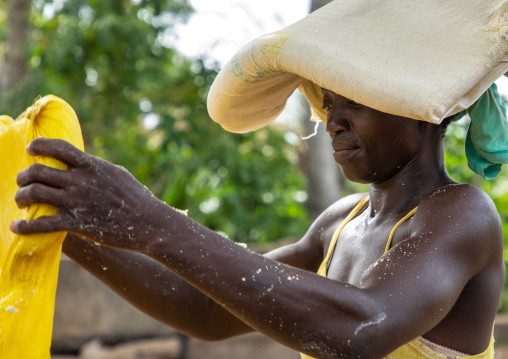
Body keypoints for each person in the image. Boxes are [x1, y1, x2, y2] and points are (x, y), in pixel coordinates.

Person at [10, 1, 508, 358]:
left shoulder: (461, 214)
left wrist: (149, 220)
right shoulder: (340, 224)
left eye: (354, 99)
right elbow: (204, 310)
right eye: (328, 102)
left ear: (426, 107)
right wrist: (63, 221)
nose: (333, 120)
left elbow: (363, 328)